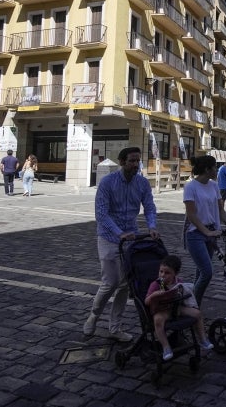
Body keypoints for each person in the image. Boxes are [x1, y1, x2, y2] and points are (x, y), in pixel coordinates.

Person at [85, 146, 159, 342]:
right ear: (122, 162)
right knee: (110, 282)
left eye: (137, 161)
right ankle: (94, 315)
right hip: (109, 237)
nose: (135, 165)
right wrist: (120, 233)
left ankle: (115, 327)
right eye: (131, 161)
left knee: (126, 285)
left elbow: (149, 206)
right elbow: (101, 214)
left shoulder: (142, 183)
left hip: (131, 239)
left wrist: (152, 226)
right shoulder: (107, 183)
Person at [183, 155, 226, 307]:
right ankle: (193, 305)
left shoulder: (214, 185)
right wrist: (206, 232)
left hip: (212, 232)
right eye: (214, 167)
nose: (216, 170)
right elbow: (191, 214)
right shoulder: (190, 187)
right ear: (207, 169)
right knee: (207, 272)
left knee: (200, 270)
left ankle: (194, 304)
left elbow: (220, 208)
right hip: (195, 233)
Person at [144, 255, 213, 361]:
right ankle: (166, 347)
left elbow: (184, 296)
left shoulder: (178, 282)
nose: (163, 275)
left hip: (176, 307)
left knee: (197, 314)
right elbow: (146, 301)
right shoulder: (156, 284)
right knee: (158, 320)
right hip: (162, 310)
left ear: (175, 274)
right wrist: (154, 295)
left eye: (167, 273)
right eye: (161, 271)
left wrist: (182, 293)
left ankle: (203, 339)